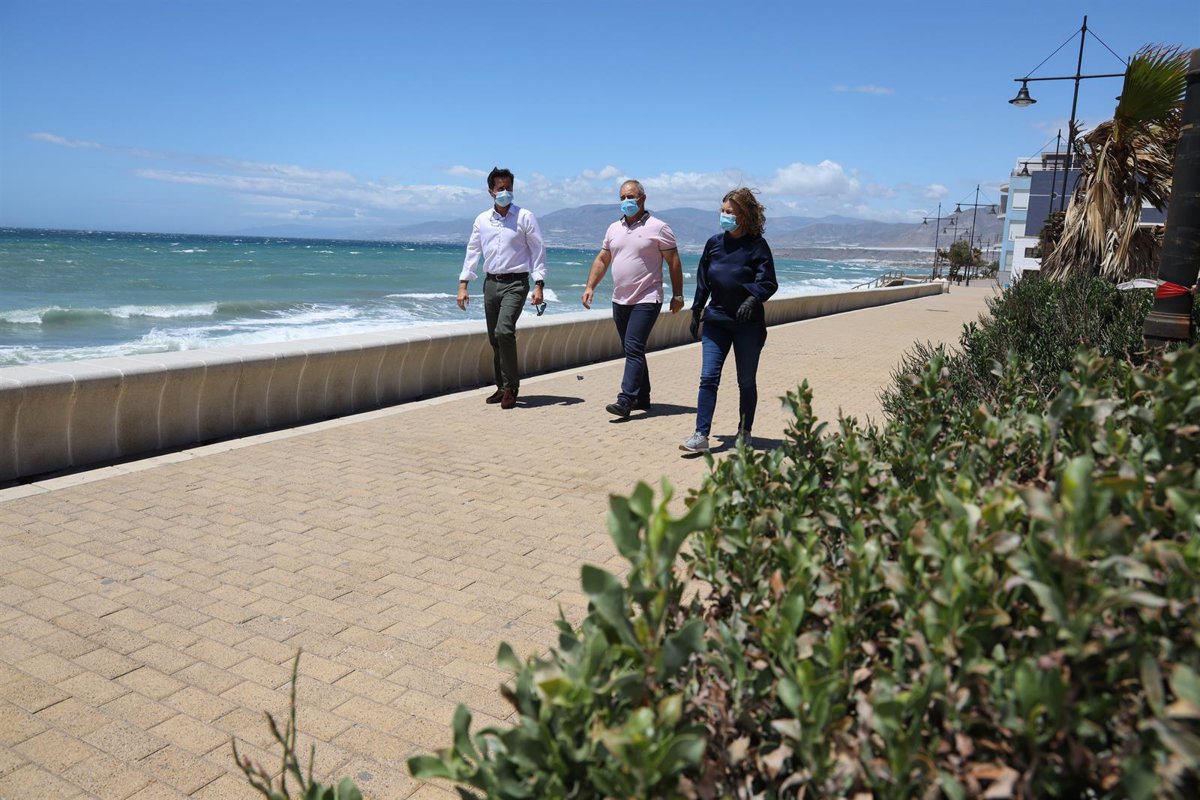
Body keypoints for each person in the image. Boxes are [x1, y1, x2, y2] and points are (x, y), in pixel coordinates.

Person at [681, 188, 778, 453]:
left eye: (730, 212)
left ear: (743, 215)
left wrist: (752, 299)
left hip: (748, 324)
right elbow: (703, 280)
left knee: (745, 381)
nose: (724, 216)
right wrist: (696, 310)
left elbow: (768, 281)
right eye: (722, 211)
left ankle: (745, 431)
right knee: (708, 378)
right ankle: (701, 435)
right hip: (716, 320)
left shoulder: (757, 246)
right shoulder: (713, 244)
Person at [581, 180, 685, 418]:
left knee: (634, 346)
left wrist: (678, 295)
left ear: (642, 199)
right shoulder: (613, 229)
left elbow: (674, 262)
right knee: (633, 349)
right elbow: (603, 259)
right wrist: (590, 286)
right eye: (622, 198)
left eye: (631, 197)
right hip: (620, 299)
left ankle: (626, 399)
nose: (626, 201)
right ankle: (643, 397)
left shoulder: (659, 228)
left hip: (648, 296)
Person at [458, 167, 547, 410]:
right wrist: (463, 285)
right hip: (491, 284)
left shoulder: (525, 217)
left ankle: (511, 388)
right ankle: (501, 386)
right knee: (494, 338)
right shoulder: (482, 220)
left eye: (509, 187)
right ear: (491, 191)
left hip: (516, 283)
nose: (505, 192)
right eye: (500, 188)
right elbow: (473, 251)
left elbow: (538, 250)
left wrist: (539, 284)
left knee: (504, 331)